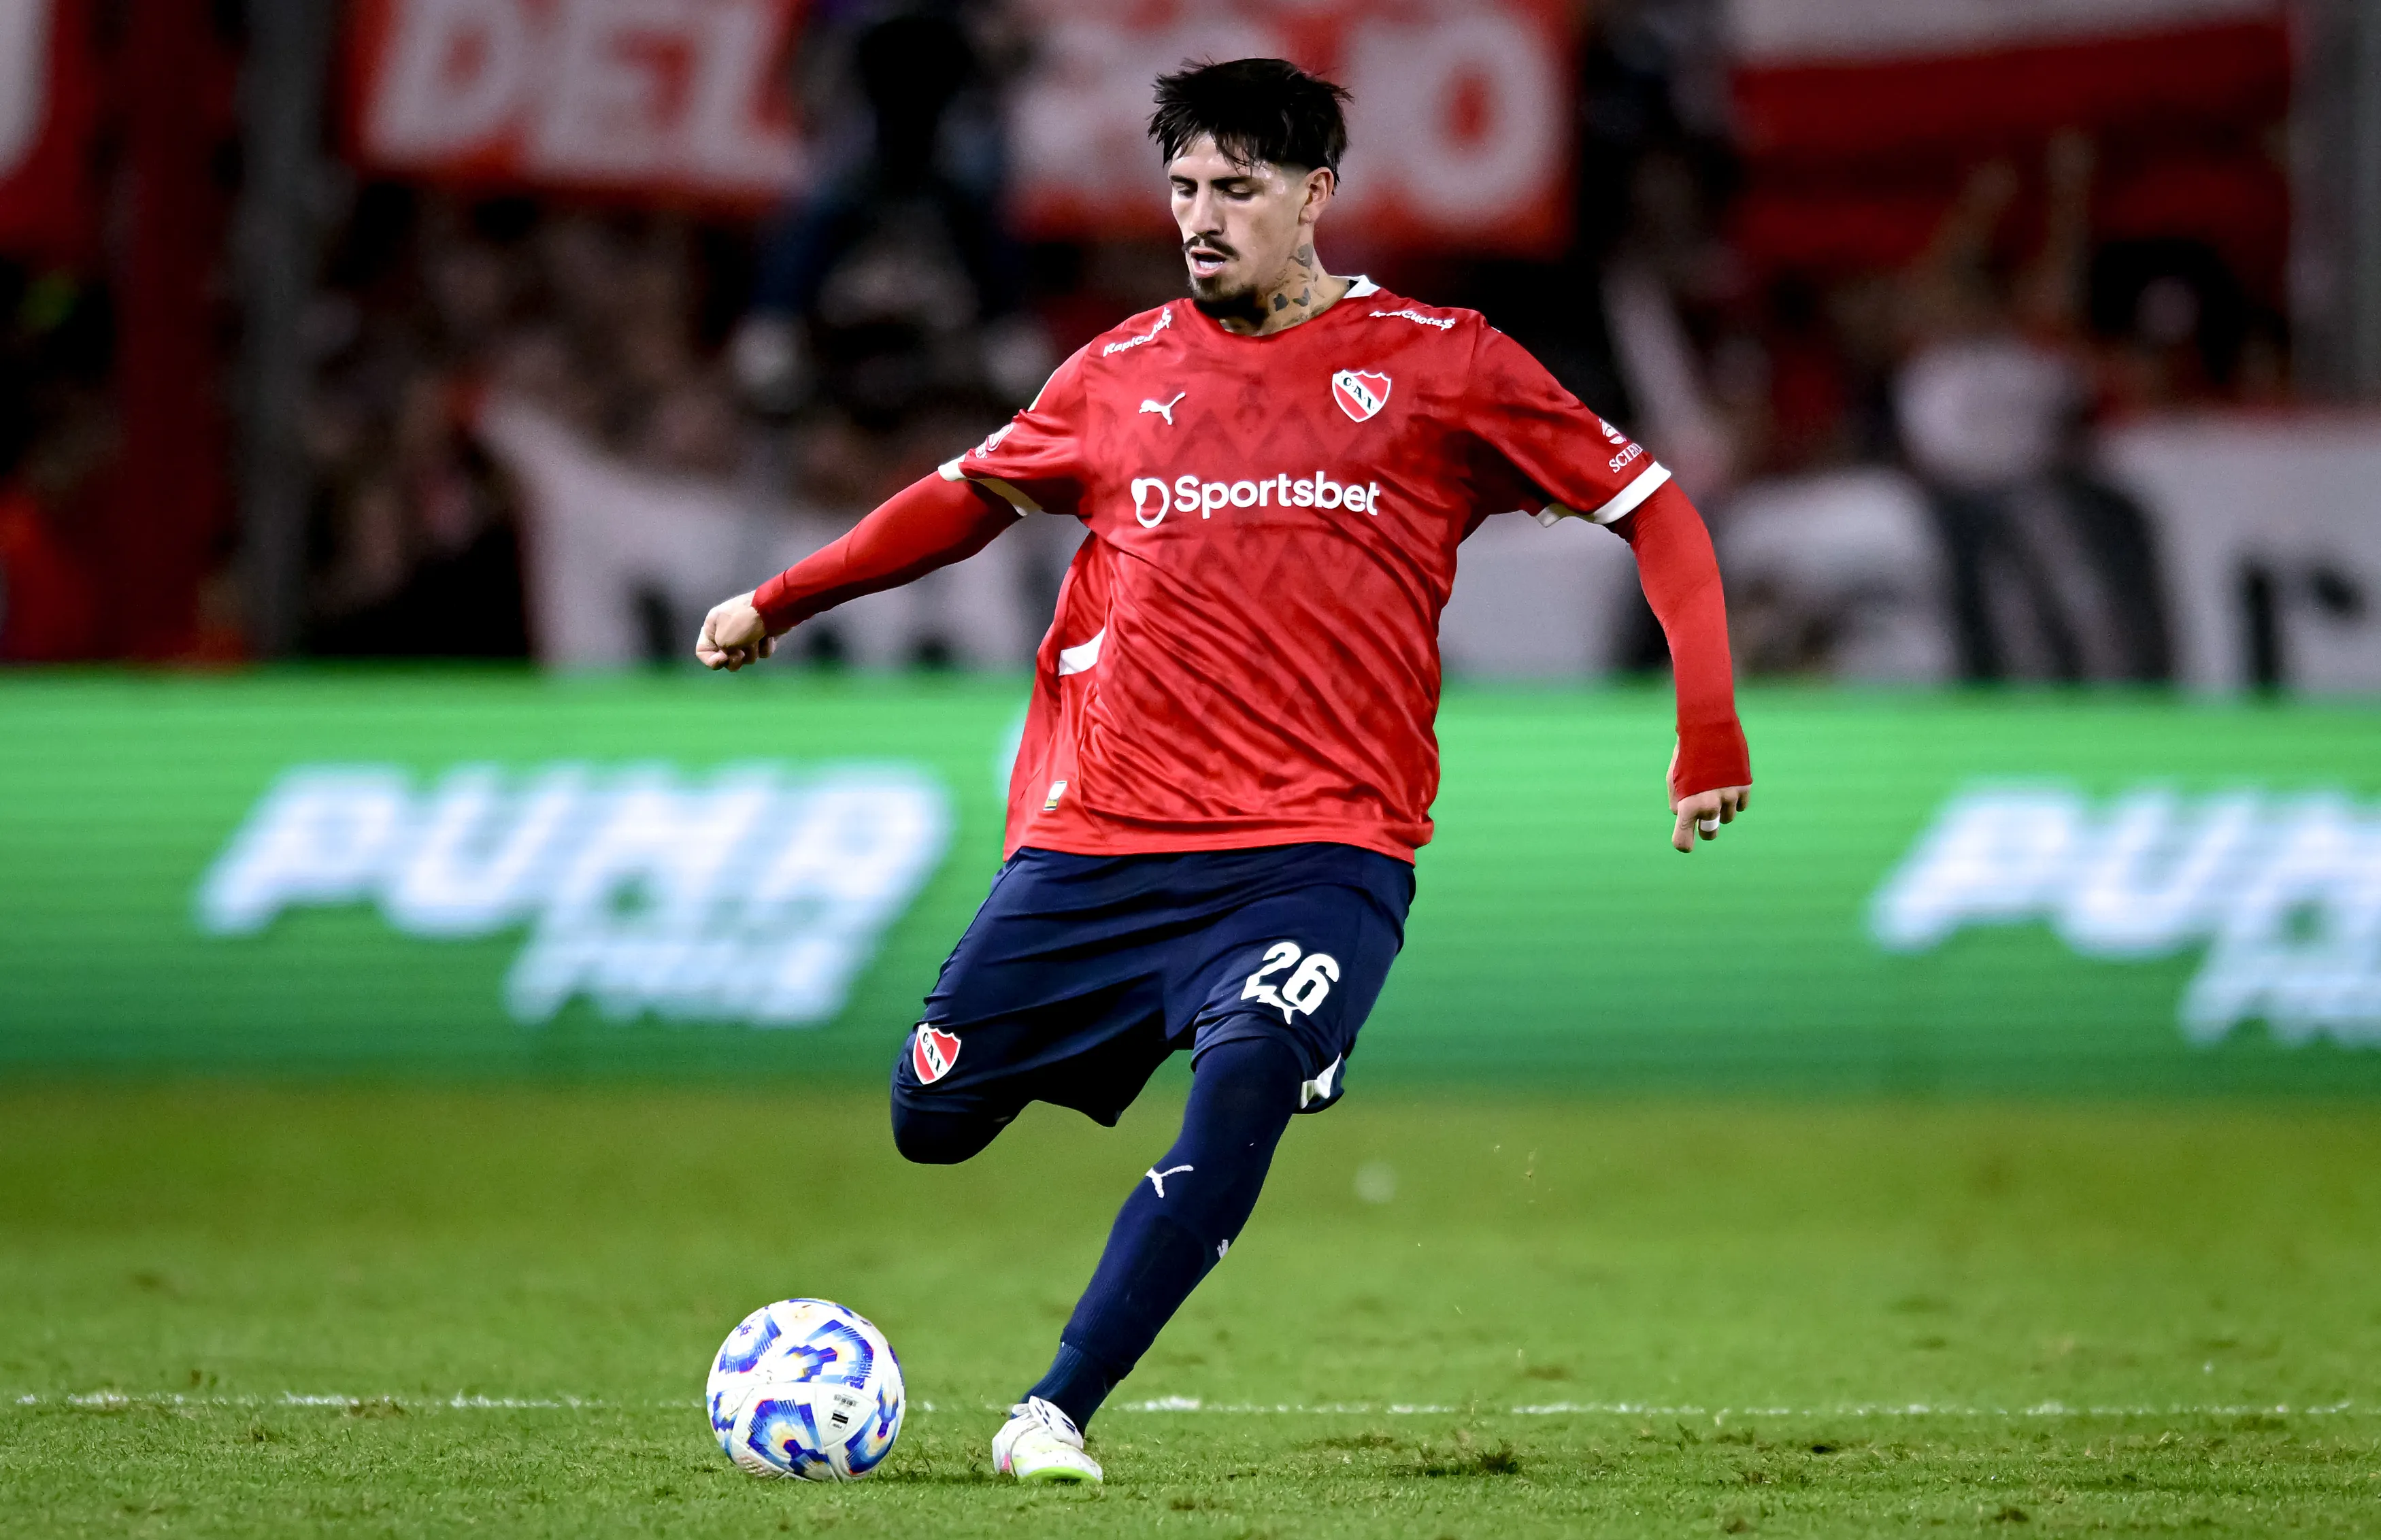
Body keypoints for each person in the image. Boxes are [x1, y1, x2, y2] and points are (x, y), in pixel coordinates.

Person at [695, 58, 1751, 1484]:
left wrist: (1707, 730)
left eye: (1236, 190)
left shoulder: (1441, 361)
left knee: (1247, 1072)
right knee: (929, 1117)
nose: (1201, 217)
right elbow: (961, 499)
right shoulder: (1120, 374)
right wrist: (781, 598)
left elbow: (1655, 506)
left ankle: (1051, 1410)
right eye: (1184, 187)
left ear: (1315, 196)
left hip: (1323, 850)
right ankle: (1171, 1047)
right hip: (1107, 843)